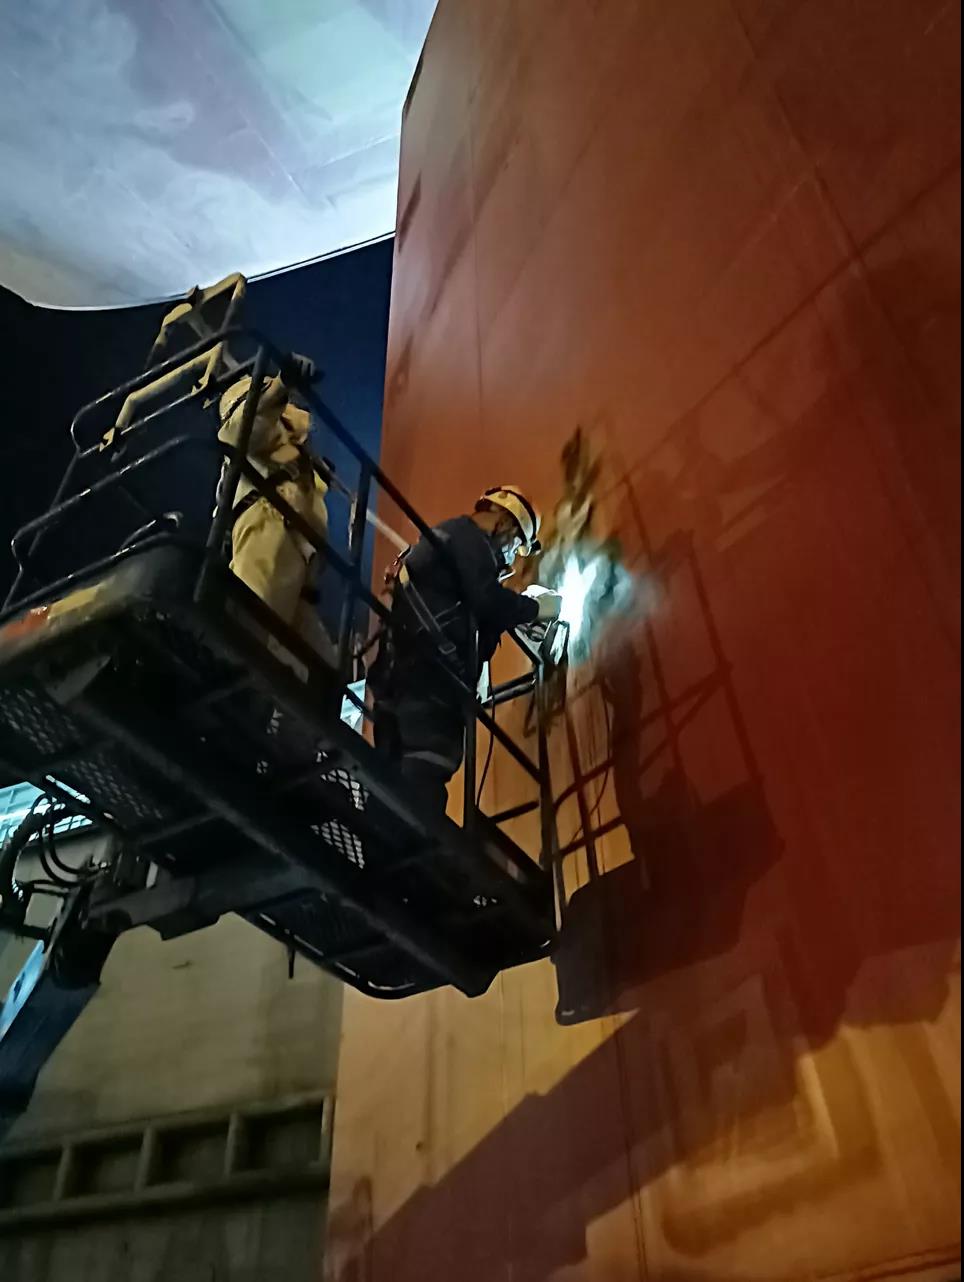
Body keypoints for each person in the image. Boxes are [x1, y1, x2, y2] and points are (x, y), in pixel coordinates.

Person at [370, 486, 562, 818]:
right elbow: (487, 600)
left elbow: (473, 610)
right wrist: (534, 609)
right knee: (423, 780)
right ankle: (410, 847)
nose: (511, 557)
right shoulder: (469, 537)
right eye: (516, 544)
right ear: (504, 522)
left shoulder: (444, 541)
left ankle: (381, 840)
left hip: (400, 678)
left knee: (389, 781)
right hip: (429, 686)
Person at [217, 358, 335, 665]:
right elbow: (242, 427)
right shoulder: (249, 424)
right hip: (266, 532)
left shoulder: (292, 453)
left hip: (299, 563)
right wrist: (279, 386)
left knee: (321, 671)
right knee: (252, 642)